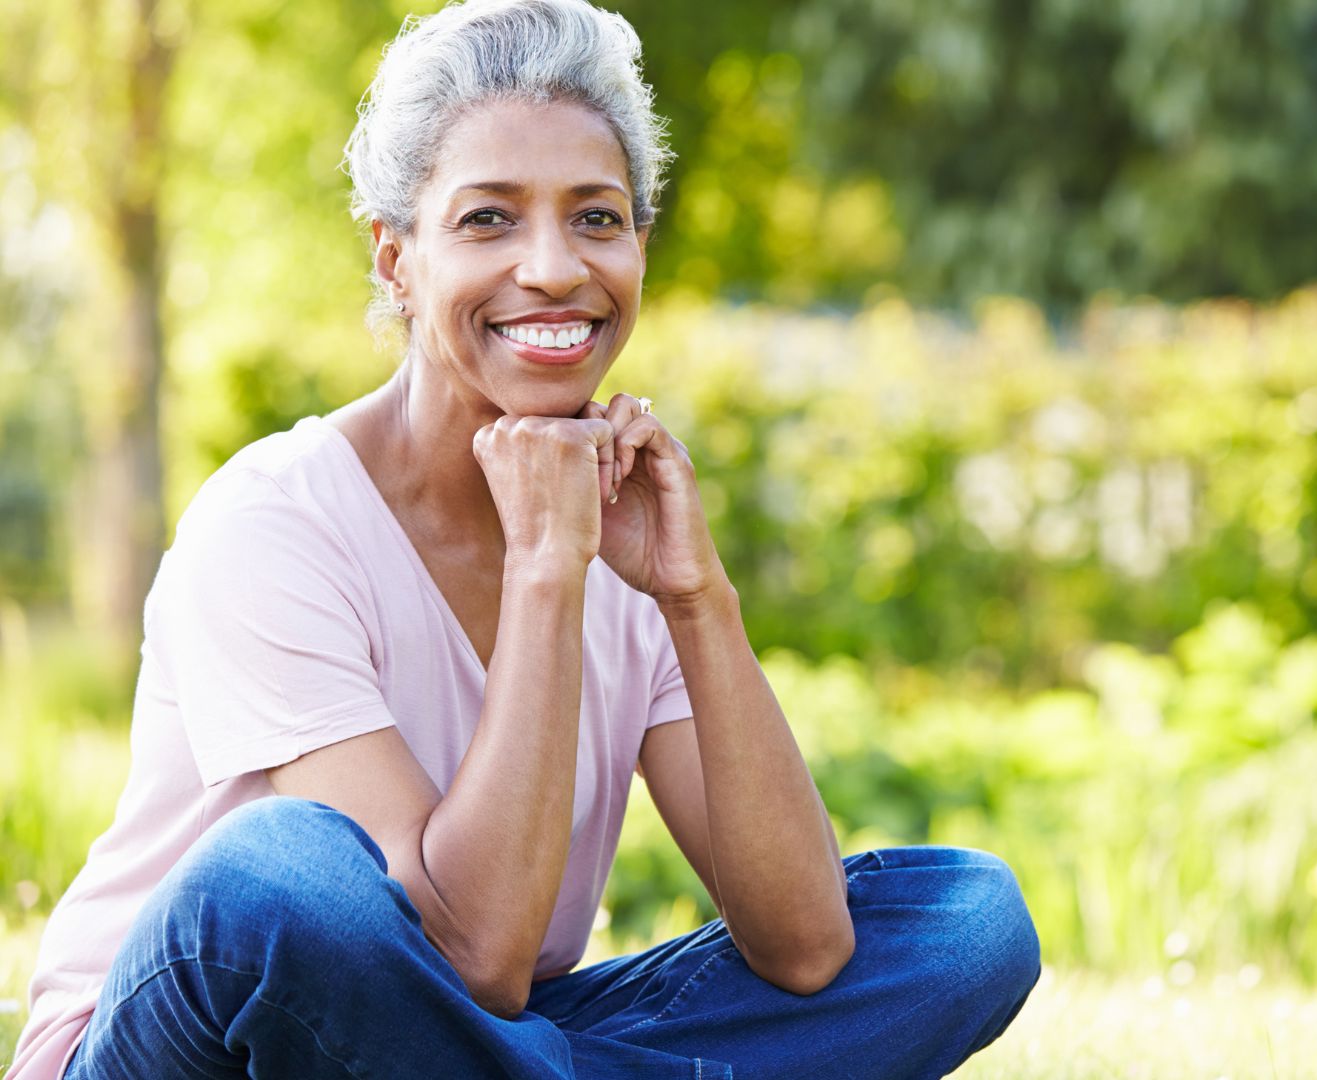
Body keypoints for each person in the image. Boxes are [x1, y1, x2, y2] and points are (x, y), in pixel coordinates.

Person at [4, 1, 1041, 1076]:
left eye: (596, 219)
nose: (551, 267)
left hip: (452, 1047)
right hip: (198, 1043)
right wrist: (549, 571)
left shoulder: (626, 523)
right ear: (396, 260)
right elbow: (473, 953)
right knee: (281, 876)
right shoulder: (271, 522)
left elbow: (808, 947)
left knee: (964, 922)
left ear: (639, 247)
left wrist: (694, 595)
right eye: (488, 219)